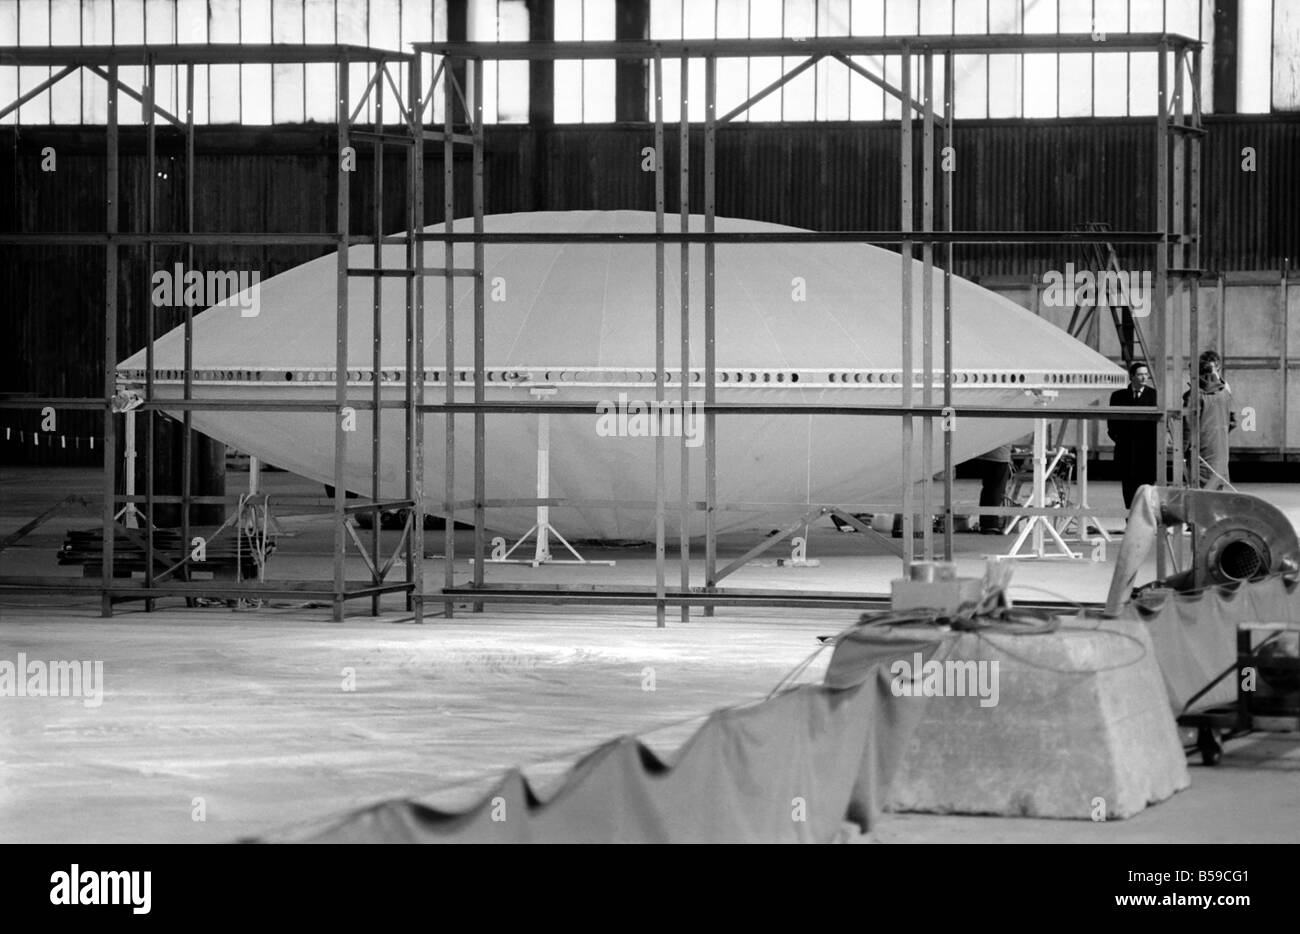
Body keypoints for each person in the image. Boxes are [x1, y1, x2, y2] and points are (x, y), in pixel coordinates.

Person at [1107, 361, 1158, 509]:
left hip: (1147, 452)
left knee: (1146, 490)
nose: (1144, 378)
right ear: (1132, 377)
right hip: (1126, 451)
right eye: (1140, 375)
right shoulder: (1118, 396)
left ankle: (1144, 522)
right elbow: (1112, 424)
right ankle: (1130, 522)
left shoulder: (1154, 395)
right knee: (1128, 489)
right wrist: (1121, 439)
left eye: (1145, 374)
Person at [1183, 350, 1236, 490]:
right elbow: (1233, 421)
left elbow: (1188, 427)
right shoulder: (1225, 392)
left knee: (1199, 493)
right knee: (1217, 492)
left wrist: (1181, 450)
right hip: (1221, 451)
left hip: (1200, 452)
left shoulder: (1194, 395)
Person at [975, 444, 1012, 534]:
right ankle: (991, 524)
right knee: (997, 491)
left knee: (988, 490)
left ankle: (986, 524)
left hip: (987, 455)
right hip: (1000, 456)